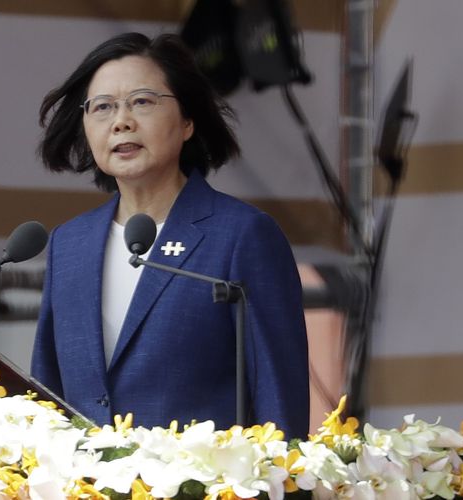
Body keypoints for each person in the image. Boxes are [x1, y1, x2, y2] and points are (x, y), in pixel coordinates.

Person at [30, 32, 309, 439]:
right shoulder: (69, 244)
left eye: (142, 102)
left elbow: (279, 401)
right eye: (103, 107)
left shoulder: (241, 235)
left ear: (187, 122)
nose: (121, 120)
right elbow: (46, 397)